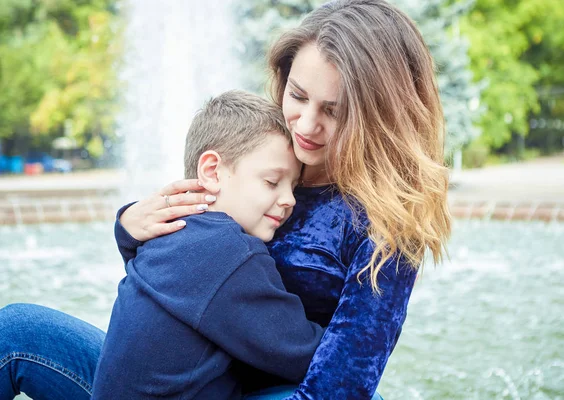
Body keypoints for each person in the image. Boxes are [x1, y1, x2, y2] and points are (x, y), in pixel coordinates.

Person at [0, 0, 451, 399]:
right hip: (186, 380)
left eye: (334, 111)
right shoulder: (266, 156)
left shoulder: (385, 224)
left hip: (280, 390)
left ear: (379, 114)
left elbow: (344, 380)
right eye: (297, 95)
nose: (306, 125)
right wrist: (129, 229)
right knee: (16, 330)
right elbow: (175, 283)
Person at [91, 90, 325, 399]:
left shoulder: (171, 230)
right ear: (212, 171)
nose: (290, 200)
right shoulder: (233, 253)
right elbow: (306, 357)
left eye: (293, 186)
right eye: (272, 182)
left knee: (18, 325)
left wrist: (125, 228)